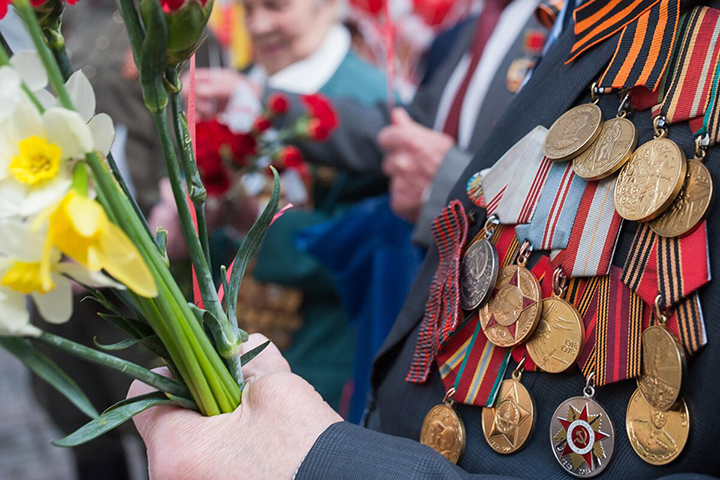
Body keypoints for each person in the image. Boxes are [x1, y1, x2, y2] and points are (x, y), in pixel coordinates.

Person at [130, 0, 720, 477]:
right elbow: (405, 132)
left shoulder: (666, 40)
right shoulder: (572, 25)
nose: (260, 24)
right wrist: (266, 105)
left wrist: (323, 464)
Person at [155, 0, 395, 413]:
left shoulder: (367, 99)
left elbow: (376, 249)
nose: (260, 25)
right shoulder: (242, 83)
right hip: (235, 345)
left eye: (276, 6)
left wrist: (257, 224)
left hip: (324, 354)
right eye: (249, 9)